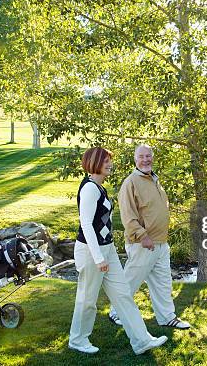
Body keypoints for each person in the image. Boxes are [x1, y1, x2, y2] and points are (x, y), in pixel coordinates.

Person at [68, 147, 168, 355]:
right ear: (95, 163)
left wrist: (108, 252)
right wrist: (98, 258)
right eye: (106, 161)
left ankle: (141, 341)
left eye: (109, 161)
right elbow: (86, 225)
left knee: (123, 296)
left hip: (107, 250)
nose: (110, 165)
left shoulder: (100, 187)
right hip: (90, 252)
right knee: (87, 299)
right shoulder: (89, 189)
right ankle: (78, 340)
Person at [108, 144, 191, 329]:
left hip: (161, 242)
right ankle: (115, 313)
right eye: (141, 156)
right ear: (135, 160)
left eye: (148, 156)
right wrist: (142, 236)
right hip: (143, 244)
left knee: (163, 283)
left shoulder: (154, 179)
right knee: (131, 281)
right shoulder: (130, 183)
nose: (146, 159)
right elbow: (128, 216)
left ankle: (167, 317)